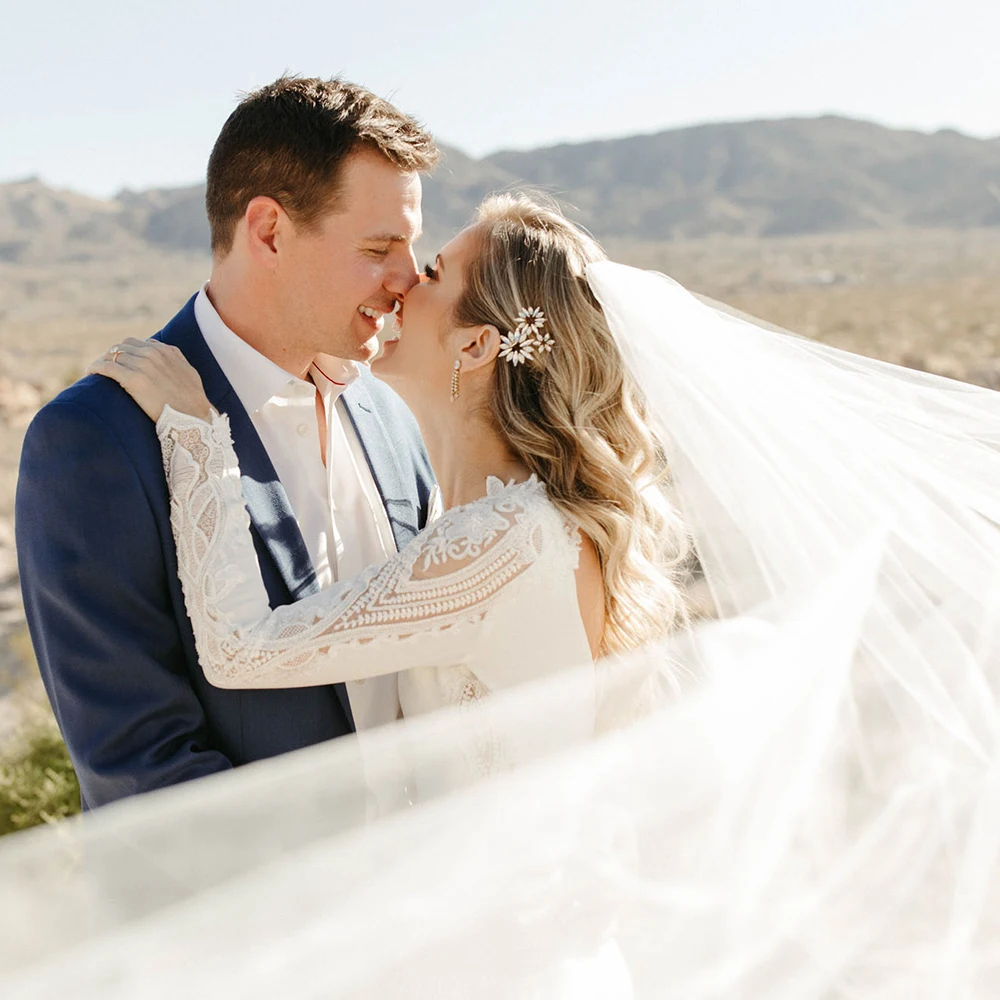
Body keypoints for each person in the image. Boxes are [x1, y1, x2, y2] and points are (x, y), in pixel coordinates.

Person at [86, 194, 691, 777]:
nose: (403, 284)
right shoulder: (507, 515)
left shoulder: (506, 540)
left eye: (432, 272)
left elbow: (241, 649)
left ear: (476, 344)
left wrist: (196, 434)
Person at [14, 76, 440, 809]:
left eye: (413, 246)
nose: (407, 279)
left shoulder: (395, 413)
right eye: (380, 247)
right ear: (269, 231)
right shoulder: (97, 441)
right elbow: (141, 771)